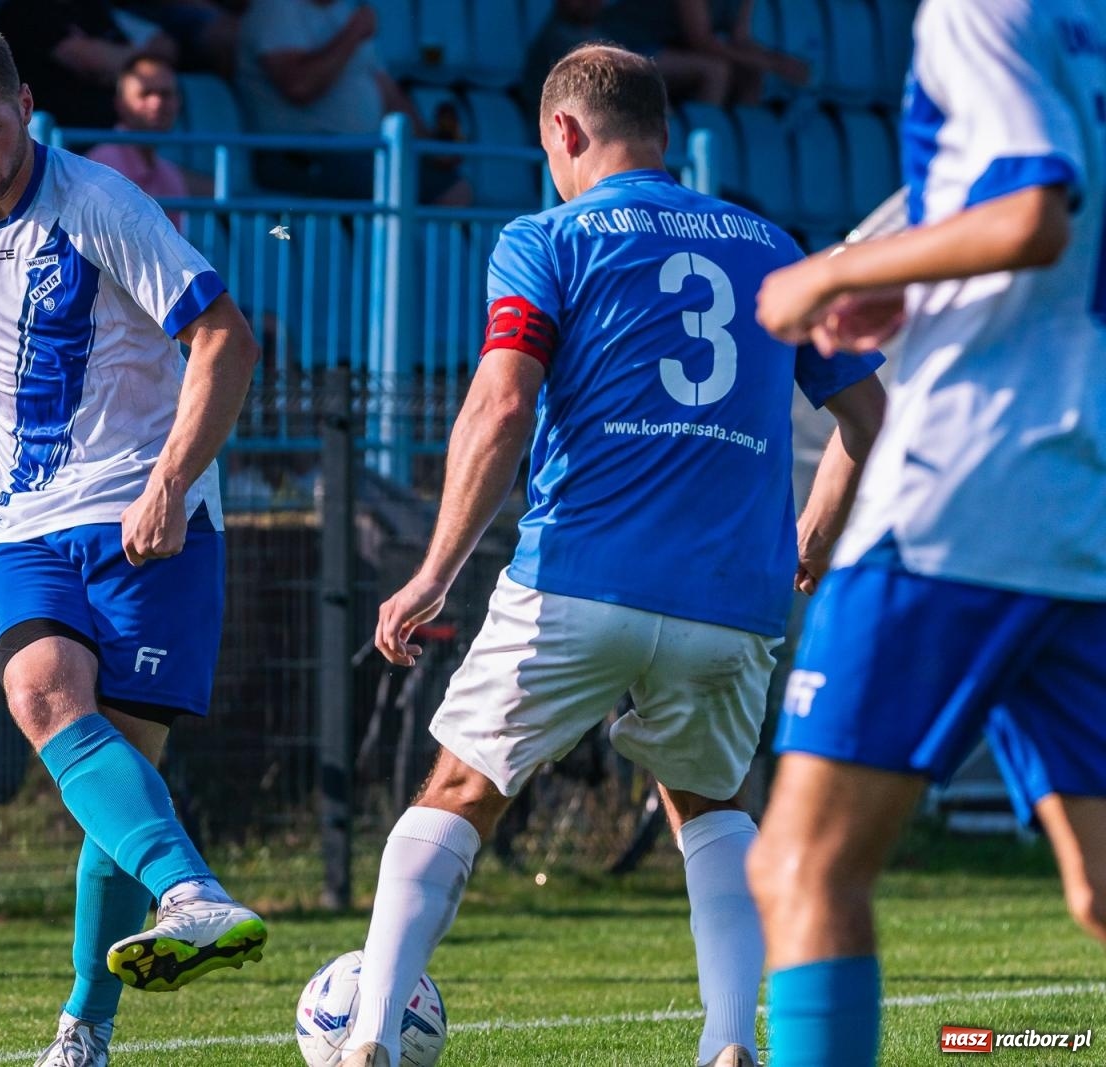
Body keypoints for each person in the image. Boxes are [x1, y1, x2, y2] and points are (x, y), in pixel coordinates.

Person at [339, 42, 885, 1067]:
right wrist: (810, 539)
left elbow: (502, 404)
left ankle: (368, 1035)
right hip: (731, 599)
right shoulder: (774, 246)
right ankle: (728, 1041)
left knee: (458, 791)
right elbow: (868, 417)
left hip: (579, 580)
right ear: (664, 134)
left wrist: (433, 572)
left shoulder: (546, 238)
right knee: (712, 808)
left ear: (563, 130)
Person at [0, 26, 266, 1067]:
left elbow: (224, 336)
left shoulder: (102, 207)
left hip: (149, 521)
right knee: (43, 700)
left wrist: (170, 480)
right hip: (28, 520)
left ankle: (84, 1025)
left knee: (118, 787)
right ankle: (192, 894)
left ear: (26, 105)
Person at [748, 1, 1106, 1063]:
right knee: (1098, 886)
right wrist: (917, 288)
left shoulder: (978, 8)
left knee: (802, 866)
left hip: (963, 493)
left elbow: (1032, 215)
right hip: (1079, 499)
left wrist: (833, 271)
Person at [235, 0, 471, 205]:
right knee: (437, 191)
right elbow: (299, 86)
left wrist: (432, 148)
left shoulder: (342, 10)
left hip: (356, 153)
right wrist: (354, 32)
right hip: (301, 156)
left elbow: (389, 94)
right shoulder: (275, 9)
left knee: (450, 186)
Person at [0, 1, 178, 130]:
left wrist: (114, 57)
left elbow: (165, 48)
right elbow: (94, 61)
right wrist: (124, 56)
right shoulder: (26, 9)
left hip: (110, 133)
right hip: (59, 140)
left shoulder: (94, 8)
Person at [85, 52, 213, 233]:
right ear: (120, 104)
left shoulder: (170, 175)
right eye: (145, 94)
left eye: (165, 94)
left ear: (178, 102)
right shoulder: (102, 166)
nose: (157, 103)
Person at [600, 0, 808, 105]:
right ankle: (701, 144)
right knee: (716, 72)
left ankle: (744, 153)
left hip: (671, 48)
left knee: (751, 74)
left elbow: (741, 40)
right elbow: (701, 41)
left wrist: (781, 62)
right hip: (627, 45)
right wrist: (774, 64)